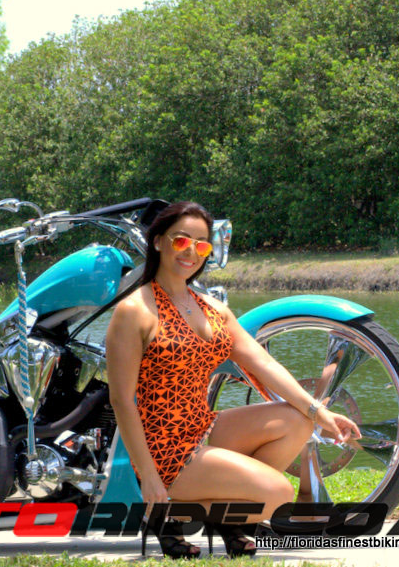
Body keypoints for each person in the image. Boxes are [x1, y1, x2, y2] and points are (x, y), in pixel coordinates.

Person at [106, 201, 361, 559]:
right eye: (182, 241)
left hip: (202, 427)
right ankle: (165, 513)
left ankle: (226, 518)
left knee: (298, 419)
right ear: (159, 242)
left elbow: (264, 363)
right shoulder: (135, 310)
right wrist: (147, 474)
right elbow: (121, 400)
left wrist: (321, 413)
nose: (191, 252)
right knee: (278, 495)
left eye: (201, 245)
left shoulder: (212, 308)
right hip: (163, 449)